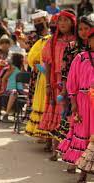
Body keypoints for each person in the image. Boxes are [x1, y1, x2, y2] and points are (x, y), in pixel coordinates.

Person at [38, 9, 77, 161]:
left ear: (72, 22)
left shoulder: (78, 41)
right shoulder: (52, 41)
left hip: (73, 83)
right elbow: (47, 64)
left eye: (66, 20)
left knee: (70, 116)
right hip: (56, 84)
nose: (62, 23)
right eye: (60, 20)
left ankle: (70, 152)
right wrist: (48, 84)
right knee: (57, 115)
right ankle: (55, 151)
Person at [57, 17, 93, 175]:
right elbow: (71, 80)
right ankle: (82, 171)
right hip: (83, 101)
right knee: (83, 133)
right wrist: (73, 101)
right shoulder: (80, 57)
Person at [25, 10, 51, 140]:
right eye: (35, 22)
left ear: (45, 20)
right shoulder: (32, 36)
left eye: (39, 21)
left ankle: (47, 133)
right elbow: (28, 53)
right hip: (36, 73)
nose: (37, 24)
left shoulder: (53, 34)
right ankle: (39, 131)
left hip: (50, 73)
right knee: (35, 100)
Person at [0, 53, 25, 122]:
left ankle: (24, 115)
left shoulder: (21, 68)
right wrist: (3, 89)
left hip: (20, 89)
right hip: (11, 89)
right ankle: (6, 114)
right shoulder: (12, 68)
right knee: (14, 92)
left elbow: (23, 80)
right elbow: (4, 79)